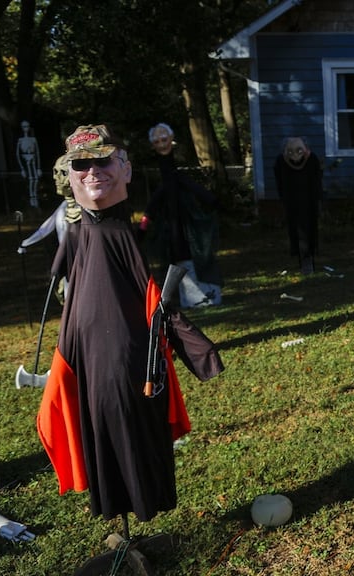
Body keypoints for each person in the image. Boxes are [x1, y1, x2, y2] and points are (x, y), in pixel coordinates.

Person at [36, 124, 223, 532]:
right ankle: (122, 520)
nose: (92, 172)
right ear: (67, 176)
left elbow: (155, 300)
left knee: (127, 427)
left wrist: (201, 353)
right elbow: (74, 289)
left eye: (102, 161)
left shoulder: (121, 235)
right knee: (105, 428)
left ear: (125, 169)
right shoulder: (83, 234)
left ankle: (131, 516)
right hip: (89, 358)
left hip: (128, 359)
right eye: (80, 165)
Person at [140, 123, 223, 307]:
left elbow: (189, 188)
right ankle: (178, 294)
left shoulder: (178, 176)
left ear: (171, 139)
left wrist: (211, 202)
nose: (162, 144)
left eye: (164, 139)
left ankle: (201, 294)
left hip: (185, 222)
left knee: (187, 252)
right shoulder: (162, 180)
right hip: (169, 223)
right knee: (174, 253)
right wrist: (145, 221)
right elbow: (157, 199)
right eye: (157, 141)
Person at [273, 136, 323, 273]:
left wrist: (317, 199)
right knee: (297, 231)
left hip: (307, 201)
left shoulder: (311, 159)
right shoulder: (281, 161)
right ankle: (304, 258)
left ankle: (307, 258)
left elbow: (317, 180)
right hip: (293, 201)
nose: (295, 155)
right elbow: (280, 181)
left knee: (308, 230)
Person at [17, 120, 41, 208]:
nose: (26, 129)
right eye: (24, 127)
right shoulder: (20, 140)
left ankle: (35, 197)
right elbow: (18, 154)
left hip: (32, 158)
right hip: (26, 158)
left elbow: (37, 153)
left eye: (27, 126)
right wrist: (22, 169)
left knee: (35, 179)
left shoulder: (33, 139)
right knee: (31, 178)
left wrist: (38, 168)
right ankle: (32, 197)